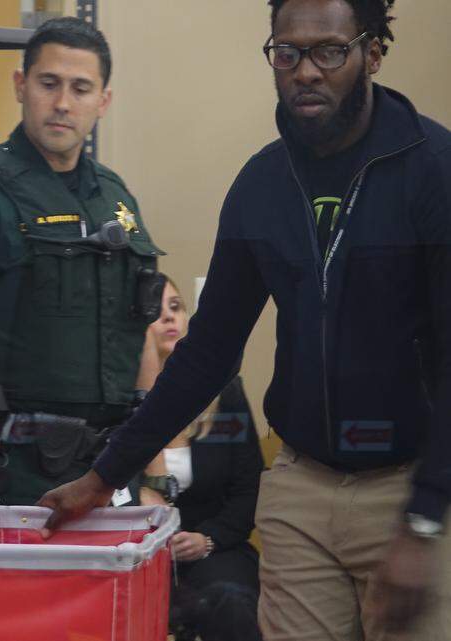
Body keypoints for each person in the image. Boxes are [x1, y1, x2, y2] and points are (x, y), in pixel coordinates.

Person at [38, 0, 451, 639]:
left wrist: (426, 517)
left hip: (411, 487)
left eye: (328, 51)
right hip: (300, 488)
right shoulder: (262, 185)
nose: (304, 71)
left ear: (372, 53)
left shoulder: (435, 171)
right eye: (286, 53)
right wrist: (104, 476)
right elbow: (207, 352)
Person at [0, 16, 166, 507]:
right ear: (20, 86)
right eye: (49, 83)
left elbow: (141, 343)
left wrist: (153, 477)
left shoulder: (115, 198)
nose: (63, 103)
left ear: (103, 101)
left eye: (81, 88)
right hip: (10, 476)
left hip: (107, 478)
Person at [143, 276, 263, 641]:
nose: (170, 319)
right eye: (156, 311)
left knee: (231, 602)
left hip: (213, 548)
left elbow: (249, 489)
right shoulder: (114, 398)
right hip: (139, 554)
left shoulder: (225, 393)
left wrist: (207, 539)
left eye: (176, 307)